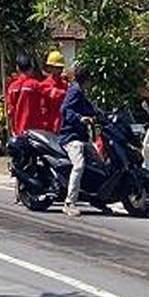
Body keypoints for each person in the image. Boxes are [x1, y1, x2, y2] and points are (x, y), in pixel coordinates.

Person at [58, 63, 102, 217]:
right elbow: (65, 110)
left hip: (81, 137)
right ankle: (69, 203)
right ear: (87, 79)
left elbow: (92, 109)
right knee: (79, 165)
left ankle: (97, 199)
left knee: (99, 162)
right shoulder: (75, 91)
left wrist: (103, 116)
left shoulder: (81, 92)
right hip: (70, 138)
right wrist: (80, 118)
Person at [6, 54, 45, 137]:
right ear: (31, 68)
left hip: (18, 133)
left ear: (17, 68)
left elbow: (10, 112)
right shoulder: (36, 86)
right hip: (36, 133)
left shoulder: (12, 87)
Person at [39, 50, 69, 133]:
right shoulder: (43, 86)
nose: (60, 70)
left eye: (61, 68)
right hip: (49, 128)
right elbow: (43, 109)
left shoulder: (65, 85)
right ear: (50, 68)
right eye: (57, 68)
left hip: (64, 126)